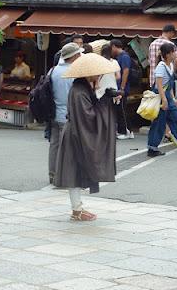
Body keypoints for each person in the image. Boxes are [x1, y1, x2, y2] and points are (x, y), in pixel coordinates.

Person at [54, 53, 120, 221]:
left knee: (75, 171)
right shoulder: (79, 91)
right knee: (73, 171)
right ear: (87, 73)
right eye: (96, 73)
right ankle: (77, 210)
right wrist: (105, 101)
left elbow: (89, 111)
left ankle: (77, 208)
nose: (99, 75)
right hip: (76, 134)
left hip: (76, 132)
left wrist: (101, 93)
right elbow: (89, 116)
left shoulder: (82, 88)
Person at [147, 43, 177, 157]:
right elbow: (159, 84)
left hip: (168, 97)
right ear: (168, 54)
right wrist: (164, 100)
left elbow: (169, 85)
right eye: (174, 52)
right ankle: (152, 148)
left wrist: (173, 98)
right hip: (161, 97)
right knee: (159, 123)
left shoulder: (170, 65)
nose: (176, 54)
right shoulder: (161, 66)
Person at [48, 42, 83, 184]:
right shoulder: (74, 72)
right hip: (69, 114)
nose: (80, 55)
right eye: (78, 53)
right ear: (74, 56)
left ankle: (53, 174)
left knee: (54, 145)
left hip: (54, 113)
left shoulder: (53, 70)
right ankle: (66, 177)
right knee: (69, 147)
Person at [149, 24, 177, 142]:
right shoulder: (170, 45)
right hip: (165, 81)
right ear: (171, 32)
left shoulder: (152, 44)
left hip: (153, 80)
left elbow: (150, 62)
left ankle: (159, 133)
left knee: (155, 108)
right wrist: (172, 71)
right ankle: (167, 133)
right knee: (168, 107)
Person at [110, 39, 134, 139]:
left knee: (122, 110)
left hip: (122, 88)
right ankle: (125, 130)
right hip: (120, 87)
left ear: (115, 46)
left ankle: (126, 131)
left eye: (111, 47)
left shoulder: (124, 56)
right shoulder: (120, 56)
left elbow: (126, 71)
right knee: (120, 109)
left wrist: (122, 87)